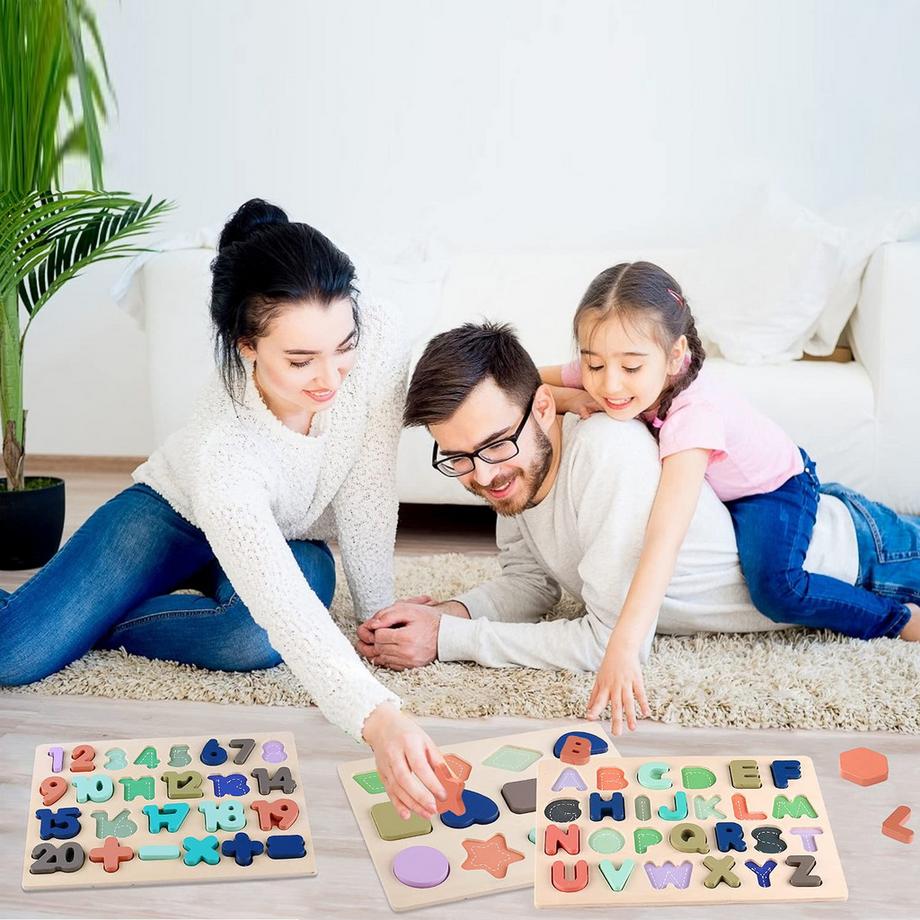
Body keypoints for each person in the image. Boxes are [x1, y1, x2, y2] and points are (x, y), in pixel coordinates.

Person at [0, 199, 446, 821]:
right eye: (300, 361)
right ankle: (81, 613)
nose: (331, 377)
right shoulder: (222, 448)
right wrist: (379, 719)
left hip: (286, 537)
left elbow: (367, 487)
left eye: (343, 347)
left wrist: (377, 614)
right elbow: (282, 598)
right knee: (16, 653)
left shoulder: (378, 335)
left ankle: (99, 619)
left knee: (255, 636)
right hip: (173, 516)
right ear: (247, 347)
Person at [355, 321, 920, 736]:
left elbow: (610, 643)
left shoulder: (607, 452)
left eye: (495, 446)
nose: (482, 476)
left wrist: (450, 641)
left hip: (861, 559)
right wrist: (448, 614)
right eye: (456, 458)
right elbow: (530, 584)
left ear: (544, 408)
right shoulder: (512, 470)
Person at [538, 261, 920, 731]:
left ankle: (896, 620)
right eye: (593, 365)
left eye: (631, 367)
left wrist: (622, 643)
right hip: (733, 485)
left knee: (777, 589)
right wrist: (569, 396)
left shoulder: (693, 415)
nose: (608, 384)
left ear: (675, 356)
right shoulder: (614, 360)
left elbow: (662, 538)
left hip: (777, 487)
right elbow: (522, 382)